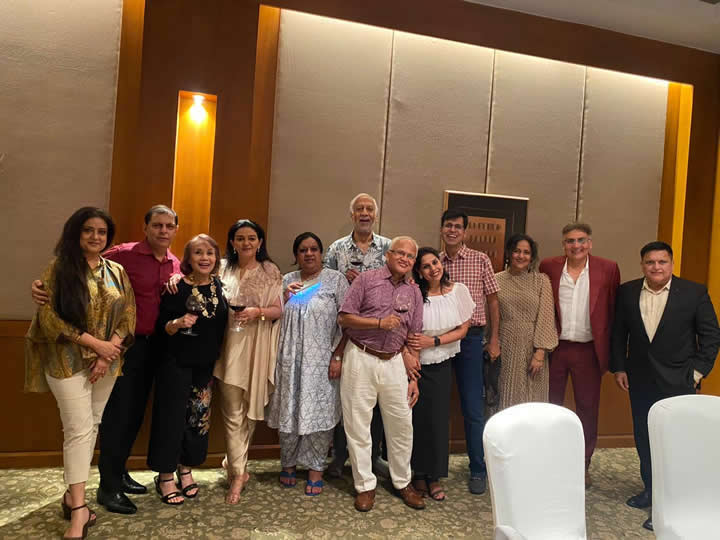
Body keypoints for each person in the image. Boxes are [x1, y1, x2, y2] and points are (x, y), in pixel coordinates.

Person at [31, 205, 181, 514]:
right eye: (157, 225)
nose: (163, 231)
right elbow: (78, 271)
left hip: (153, 346)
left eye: (169, 226)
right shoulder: (122, 255)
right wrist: (39, 287)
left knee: (133, 415)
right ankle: (108, 486)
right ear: (146, 227)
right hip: (122, 348)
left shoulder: (174, 262)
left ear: (175, 230)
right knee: (117, 418)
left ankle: (119, 473)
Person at [25, 207, 136, 539]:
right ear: (76, 232)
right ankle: (79, 510)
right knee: (78, 430)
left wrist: (107, 352)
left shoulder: (116, 270)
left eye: (102, 232)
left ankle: (70, 495)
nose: (95, 237)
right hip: (66, 362)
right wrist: (95, 345)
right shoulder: (59, 269)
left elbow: (129, 314)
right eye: (89, 230)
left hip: (107, 363)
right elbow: (49, 320)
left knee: (91, 427)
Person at [611, 241, 720, 532]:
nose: (656, 267)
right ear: (642, 265)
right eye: (650, 262)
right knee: (645, 437)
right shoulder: (627, 292)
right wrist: (619, 367)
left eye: (662, 262)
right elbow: (619, 333)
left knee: (676, 442)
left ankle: (671, 503)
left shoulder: (694, 293)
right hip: (640, 380)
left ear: (671, 264)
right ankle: (650, 490)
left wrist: (696, 373)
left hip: (679, 382)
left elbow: (711, 337)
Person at [338, 236, 425, 512]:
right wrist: (379, 323)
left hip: (394, 361)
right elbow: (344, 317)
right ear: (388, 254)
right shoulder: (366, 280)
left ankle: (403, 482)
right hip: (360, 356)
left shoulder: (414, 292)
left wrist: (413, 378)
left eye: (410, 256)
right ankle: (364, 485)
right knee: (358, 425)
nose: (404, 259)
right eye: (400, 253)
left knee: (402, 425)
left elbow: (414, 336)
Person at [267, 232, 349, 496]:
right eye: (303, 250)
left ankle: (316, 468)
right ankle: (288, 464)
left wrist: (338, 356)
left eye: (314, 249)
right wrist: (284, 296)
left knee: (320, 415)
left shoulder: (335, 280)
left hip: (323, 362)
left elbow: (347, 322)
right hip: (289, 360)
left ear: (321, 253)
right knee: (289, 412)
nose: (309, 254)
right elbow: (273, 316)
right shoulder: (286, 280)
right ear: (296, 255)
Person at [148, 234, 228, 505]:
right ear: (188, 258)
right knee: (170, 419)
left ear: (216, 257)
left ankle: (186, 469)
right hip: (175, 363)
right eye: (198, 253)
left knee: (198, 419)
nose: (205, 258)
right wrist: (178, 323)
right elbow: (162, 327)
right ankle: (165, 476)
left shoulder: (219, 286)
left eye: (210, 252)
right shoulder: (177, 287)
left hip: (205, 365)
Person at [539, 222, 620, 488]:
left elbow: (613, 311)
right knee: (550, 405)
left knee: (587, 408)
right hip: (555, 349)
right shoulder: (549, 267)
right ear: (563, 245)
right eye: (570, 241)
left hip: (589, 350)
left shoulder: (608, 269)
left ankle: (582, 463)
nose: (576, 245)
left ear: (590, 243)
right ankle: (549, 458)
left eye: (581, 240)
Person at [214, 219, 283, 504]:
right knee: (232, 412)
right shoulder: (221, 268)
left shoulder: (270, 270)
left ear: (259, 242)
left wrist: (257, 312)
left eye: (251, 238)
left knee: (250, 408)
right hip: (227, 346)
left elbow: (279, 310)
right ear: (232, 242)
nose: (246, 243)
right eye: (240, 238)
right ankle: (238, 472)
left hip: (256, 344)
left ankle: (236, 467)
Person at [324, 192, 391, 478]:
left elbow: (399, 283)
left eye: (369, 209)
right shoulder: (336, 249)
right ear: (352, 215)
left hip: (380, 336)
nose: (364, 213)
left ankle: (373, 456)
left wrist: (367, 282)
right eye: (359, 209)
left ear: (375, 214)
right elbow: (325, 285)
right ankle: (340, 455)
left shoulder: (389, 247)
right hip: (346, 333)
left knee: (375, 400)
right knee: (348, 399)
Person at [439, 209, 500, 495]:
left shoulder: (480, 259)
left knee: (473, 408)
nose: (452, 230)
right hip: (439, 340)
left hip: (472, 340)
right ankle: (432, 469)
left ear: (465, 232)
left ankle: (478, 468)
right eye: (448, 225)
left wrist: (494, 338)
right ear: (442, 229)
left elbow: (493, 301)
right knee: (436, 407)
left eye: (457, 226)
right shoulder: (434, 262)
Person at [407, 247, 474, 502]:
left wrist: (433, 341)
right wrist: (414, 356)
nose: (433, 268)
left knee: (437, 421)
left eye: (435, 262)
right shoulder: (414, 294)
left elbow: (462, 330)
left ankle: (433, 476)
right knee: (415, 421)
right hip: (414, 364)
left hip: (441, 363)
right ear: (419, 271)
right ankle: (417, 474)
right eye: (426, 266)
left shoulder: (458, 291)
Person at [489, 234, 558, 415]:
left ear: (532, 257)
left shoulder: (541, 281)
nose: (521, 256)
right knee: (505, 394)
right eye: (517, 251)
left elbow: (546, 316)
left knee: (532, 399)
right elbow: (490, 315)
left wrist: (540, 353)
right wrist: (491, 343)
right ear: (509, 253)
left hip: (532, 348)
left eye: (526, 252)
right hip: (505, 345)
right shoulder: (495, 280)